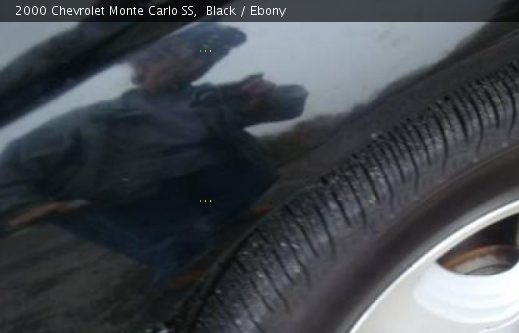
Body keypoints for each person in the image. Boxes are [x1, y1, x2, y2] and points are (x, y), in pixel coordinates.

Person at [0, 23, 307, 283]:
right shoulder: (94, 119)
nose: (201, 65)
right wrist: (24, 206)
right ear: (146, 65)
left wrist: (271, 95)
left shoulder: (210, 97)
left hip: (200, 189)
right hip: (144, 199)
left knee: (246, 175)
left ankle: (227, 218)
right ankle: (178, 267)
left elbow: (288, 106)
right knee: (182, 239)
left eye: (209, 58)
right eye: (192, 56)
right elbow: (12, 164)